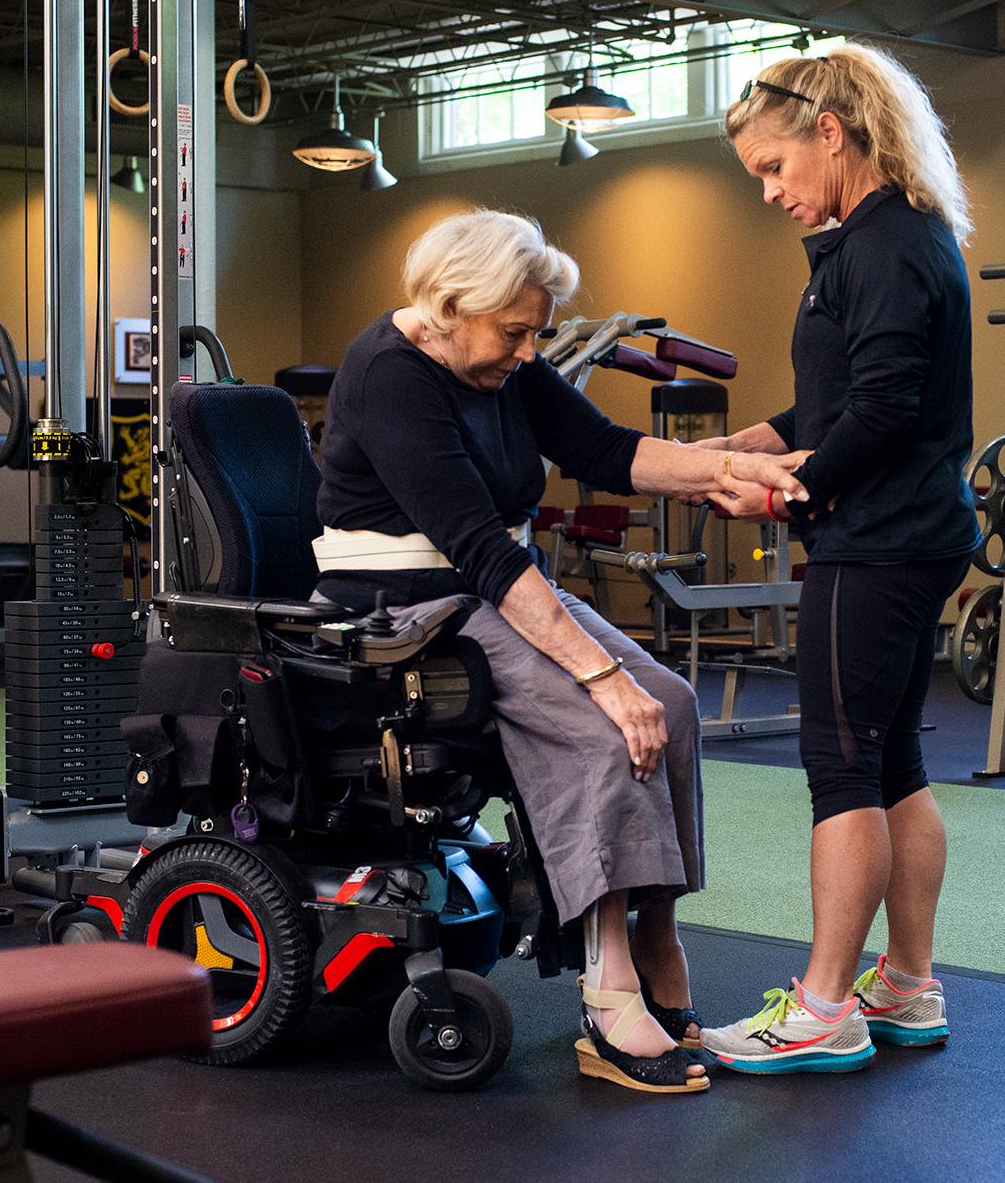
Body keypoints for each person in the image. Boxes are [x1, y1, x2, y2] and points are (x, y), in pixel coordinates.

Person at [312, 208, 809, 1094]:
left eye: (537, 332)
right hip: (404, 609)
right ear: (454, 303)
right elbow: (484, 548)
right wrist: (602, 677)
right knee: (605, 724)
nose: (529, 350)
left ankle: (655, 929)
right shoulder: (391, 372)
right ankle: (608, 987)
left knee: (677, 705)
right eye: (515, 331)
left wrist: (736, 473)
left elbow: (605, 450)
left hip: (483, 591)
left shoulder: (503, 360)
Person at [696, 44, 979, 1074]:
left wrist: (794, 485)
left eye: (774, 168)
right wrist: (741, 451)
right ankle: (905, 982)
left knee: (841, 766)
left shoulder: (883, 245)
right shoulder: (884, 238)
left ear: (831, 131)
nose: (770, 192)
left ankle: (822, 1006)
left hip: (879, 541)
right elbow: (836, 406)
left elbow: (883, 413)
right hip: (907, 532)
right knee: (892, 759)